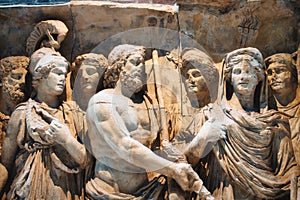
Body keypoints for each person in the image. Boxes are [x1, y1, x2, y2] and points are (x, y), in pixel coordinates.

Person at [81, 44, 211, 199]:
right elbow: (125, 146)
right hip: (110, 192)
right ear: (119, 67)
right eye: (135, 63)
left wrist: (172, 154)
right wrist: (173, 169)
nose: (141, 69)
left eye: (143, 65)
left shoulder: (145, 104)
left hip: (148, 190)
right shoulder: (102, 101)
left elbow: (156, 146)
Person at [184, 47, 300, 199]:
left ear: (259, 77)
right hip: (224, 192)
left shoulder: (275, 122)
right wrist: (202, 138)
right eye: (237, 72)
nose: (243, 77)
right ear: (230, 78)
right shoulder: (211, 115)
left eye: (249, 72)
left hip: (265, 194)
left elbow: (289, 168)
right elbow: (186, 163)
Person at [0, 53, 90, 199]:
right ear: (41, 76)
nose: (62, 78)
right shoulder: (22, 114)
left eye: (64, 74)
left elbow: (86, 161)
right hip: (29, 190)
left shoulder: (74, 113)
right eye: (57, 72)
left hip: (65, 190)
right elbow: (5, 164)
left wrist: (67, 140)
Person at [265, 52, 300, 165]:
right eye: (270, 73)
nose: (273, 77)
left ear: (293, 76)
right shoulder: (266, 114)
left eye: (279, 71)